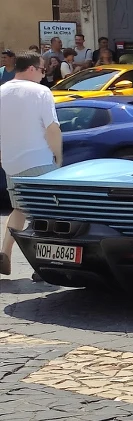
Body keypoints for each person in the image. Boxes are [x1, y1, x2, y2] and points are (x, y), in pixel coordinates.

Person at [0, 53, 62, 276]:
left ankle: (5, 252)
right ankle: (45, 265)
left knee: (19, 208)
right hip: (39, 161)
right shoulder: (41, 92)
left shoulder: (2, 91)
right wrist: (59, 158)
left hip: (11, 162)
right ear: (32, 69)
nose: (44, 75)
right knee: (50, 213)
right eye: (43, 71)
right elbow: (52, 128)